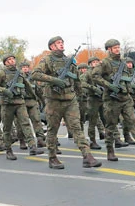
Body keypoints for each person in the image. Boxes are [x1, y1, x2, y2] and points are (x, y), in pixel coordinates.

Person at [31, 36, 101, 169]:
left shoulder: (69, 61)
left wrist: (80, 95)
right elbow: (35, 74)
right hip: (54, 101)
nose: (61, 45)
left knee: (77, 128)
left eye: (62, 43)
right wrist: (54, 80)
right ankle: (52, 157)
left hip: (70, 99)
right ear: (52, 46)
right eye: (58, 43)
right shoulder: (47, 60)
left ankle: (87, 156)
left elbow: (76, 80)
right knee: (52, 130)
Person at [91, 39, 135, 161]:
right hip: (112, 99)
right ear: (109, 49)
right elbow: (95, 76)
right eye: (115, 47)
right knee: (111, 126)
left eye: (118, 47)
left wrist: (129, 89)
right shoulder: (105, 63)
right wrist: (109, 85)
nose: (118, 49)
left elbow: (127, 77)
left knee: (133, 123)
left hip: (125, 98)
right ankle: (110, 151)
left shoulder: (123, 62)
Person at [0, 54, 45, 160]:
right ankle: (9, 150)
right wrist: (4, 90)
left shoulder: (19, 73)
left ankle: (32, 147)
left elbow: (27, 85)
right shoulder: (2, 73)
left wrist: (35, 98)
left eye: (13, 59)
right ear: (5, 62)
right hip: (7, 104)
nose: (11, 61)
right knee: (7, 128)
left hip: (20, 102)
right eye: (9, 60)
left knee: (25, 124)